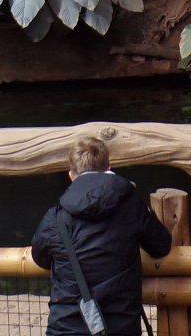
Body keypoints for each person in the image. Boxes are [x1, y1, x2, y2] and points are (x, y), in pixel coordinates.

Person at [31, 137, 172, 336]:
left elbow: (40, 257)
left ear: (71, 175)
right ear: (109, 167)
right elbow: (161, 245)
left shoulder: (56, 217)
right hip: (121, 329)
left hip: (66, 328)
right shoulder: (130, 204)